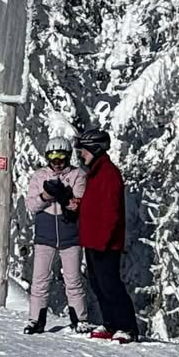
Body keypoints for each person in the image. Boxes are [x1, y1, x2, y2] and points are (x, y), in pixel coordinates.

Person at [73, 125, 138, 343]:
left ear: (95, 149)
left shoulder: (109, 174)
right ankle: (110, 323)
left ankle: (127, 327)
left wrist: (104, 239)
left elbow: (112, 211)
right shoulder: (96, 173)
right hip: (93, 240)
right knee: (98, 285)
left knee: (111, 285)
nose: (81, 154)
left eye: (84, 150)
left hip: (105, 243)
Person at [23, 134, 88, 335]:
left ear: (68, 156)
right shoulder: (39, 176)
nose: (57, 162)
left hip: (70, 236)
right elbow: (31, 205)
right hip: (45, 236)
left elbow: (79, 204)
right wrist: (45, 196)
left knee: (73, 280)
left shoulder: (77, 175)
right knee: (40, 280)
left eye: (61, 157)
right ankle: (36, 319)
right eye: (53, 157)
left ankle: (80, 319)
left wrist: (64, 195)